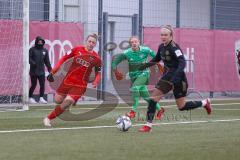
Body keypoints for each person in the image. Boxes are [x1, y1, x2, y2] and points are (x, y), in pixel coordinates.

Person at [138, 25, 212, 132]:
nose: (163, 37)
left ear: (171, 36)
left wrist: (176, 78)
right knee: (153, 99)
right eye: (161, 35)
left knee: (181, 106)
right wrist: (145, 66)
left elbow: (182, 62)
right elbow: (157, 58)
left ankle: (204, 103)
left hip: (179, 79)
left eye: (165, 35)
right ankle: (148, 125)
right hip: (167, 77)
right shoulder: (161, 47)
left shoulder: (174, 47)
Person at [43, 33, 101, 127]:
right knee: (57, 100)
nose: (91, 44)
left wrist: (96, 81)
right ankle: (73, 100)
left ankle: (48, 118)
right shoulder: (77, 50)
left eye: (93, 43)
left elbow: (98, 72)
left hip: (80, 85)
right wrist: (53, 71)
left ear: (95, 45)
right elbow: (63, 58)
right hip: (68, 81)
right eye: (89, 41)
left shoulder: (96, 58)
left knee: (66, 102)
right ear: (86, 42)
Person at [112, 36, 165, 120]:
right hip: (134, 76)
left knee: (135, 88)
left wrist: (158, 64)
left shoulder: (145, 50)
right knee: (146, 97)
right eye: (132, 42)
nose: (134, 43)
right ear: (130, 44)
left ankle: (133, 111)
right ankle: (160, 109)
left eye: (135, 41)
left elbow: (156, 56)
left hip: (144, 73)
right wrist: (115, 70)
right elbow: (115, 61)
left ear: (139, 42)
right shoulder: (126, 53)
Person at [29, 36, 52, 104]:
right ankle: (30, 97)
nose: (40, 42)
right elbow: (29, 59)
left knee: (42, 84)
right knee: (34, 84)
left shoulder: (45, 51)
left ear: (43, 42)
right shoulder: (32, 50)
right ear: (36, 42)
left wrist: (50, 70)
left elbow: (47, 62)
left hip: (41, 71)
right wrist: (33, 63)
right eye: (39, 41)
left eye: (41, 41)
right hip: (33, 71)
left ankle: (41, 98)